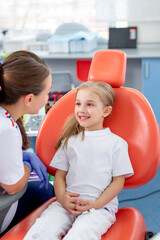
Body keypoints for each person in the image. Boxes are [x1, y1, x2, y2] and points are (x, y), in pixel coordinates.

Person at [24, 81, 134, 240]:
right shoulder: (69, 141)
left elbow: (118, 181)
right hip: (66, 204)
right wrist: (62, 199)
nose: (81, 110)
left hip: (99, 208)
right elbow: (60, 176)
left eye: (90, 104)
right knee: (40, 232)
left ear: (106, 111)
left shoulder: (116, 144)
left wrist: (96, 204)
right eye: (78, 104)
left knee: (80, 235)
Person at [0, 50, 55, 236]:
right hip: (2, 209)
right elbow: (13, 186)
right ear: (29, 99)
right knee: (49, 193)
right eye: (47, 92)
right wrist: (27, 165)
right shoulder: (7, 129)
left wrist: (23, 155)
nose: (48, 98)